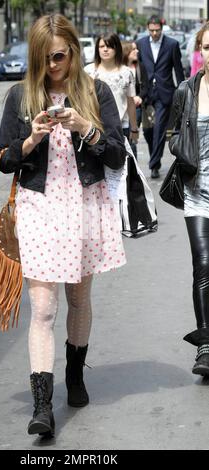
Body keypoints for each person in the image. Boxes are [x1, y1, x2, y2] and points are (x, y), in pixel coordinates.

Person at [0, 14, 126, 437]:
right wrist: (30, 139)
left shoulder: (96, 91)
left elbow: (117, 156)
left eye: (60, 56)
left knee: (79, 299)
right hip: (39, 209)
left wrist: (85, 128)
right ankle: (42, 405)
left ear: (73, 51)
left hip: (85, 206)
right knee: (44, 308)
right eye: (46, 58)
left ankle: (74, 374)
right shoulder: (20, 96)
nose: (54, 66)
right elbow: (3, 162)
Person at [169, 22, 209, 376]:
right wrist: (182, 150)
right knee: (204, 265)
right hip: (197, 194)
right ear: (200, 51)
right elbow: (171, 132)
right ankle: (206, 347)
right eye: (208, 47)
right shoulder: (187, 90)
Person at [137, 16, 184, 178]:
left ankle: (154, 164)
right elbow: (139, 70)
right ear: (147, 29)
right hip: (146, 93)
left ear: (162, 28)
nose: (155, 33)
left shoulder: (172, 44)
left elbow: (178, 70)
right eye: (152, 30)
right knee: (148, 131)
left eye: (157, 30)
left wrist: (182, 92)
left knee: (159, 130)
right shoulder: (141, 44)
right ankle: (154, 158)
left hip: (165, 93)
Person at [84, 33, 139, 148]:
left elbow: (130, 102)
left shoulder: (126, 73)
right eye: (101, 46)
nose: (105, 50)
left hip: (120, 128)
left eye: (109, 46)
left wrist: (134, 129)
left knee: (120, 164)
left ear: (117, 48)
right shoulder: (88, 72)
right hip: (94, 127)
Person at [122, 41, 149, 158]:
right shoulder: (118, 69)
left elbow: (145, 86)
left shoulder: (139, 66)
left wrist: (140, 97)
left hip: (135, 107)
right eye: (133, 49)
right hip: (121, 108)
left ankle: (133, 165)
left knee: (132, 136)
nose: (137, 51)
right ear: (126, 52)